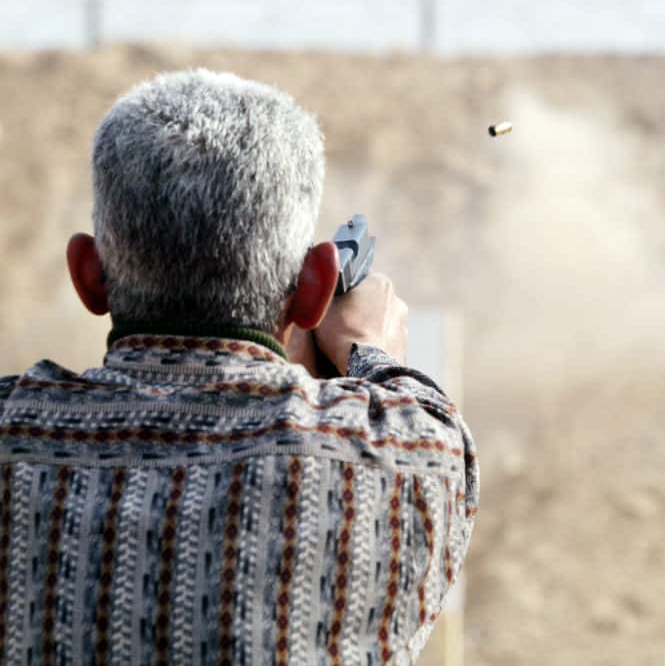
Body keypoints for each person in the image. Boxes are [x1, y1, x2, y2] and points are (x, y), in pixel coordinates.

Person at [0, 69, 477, 665]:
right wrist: (363, 347)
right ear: (315, 289)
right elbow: (420, 419)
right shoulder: (410, 452)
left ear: (87, 274)